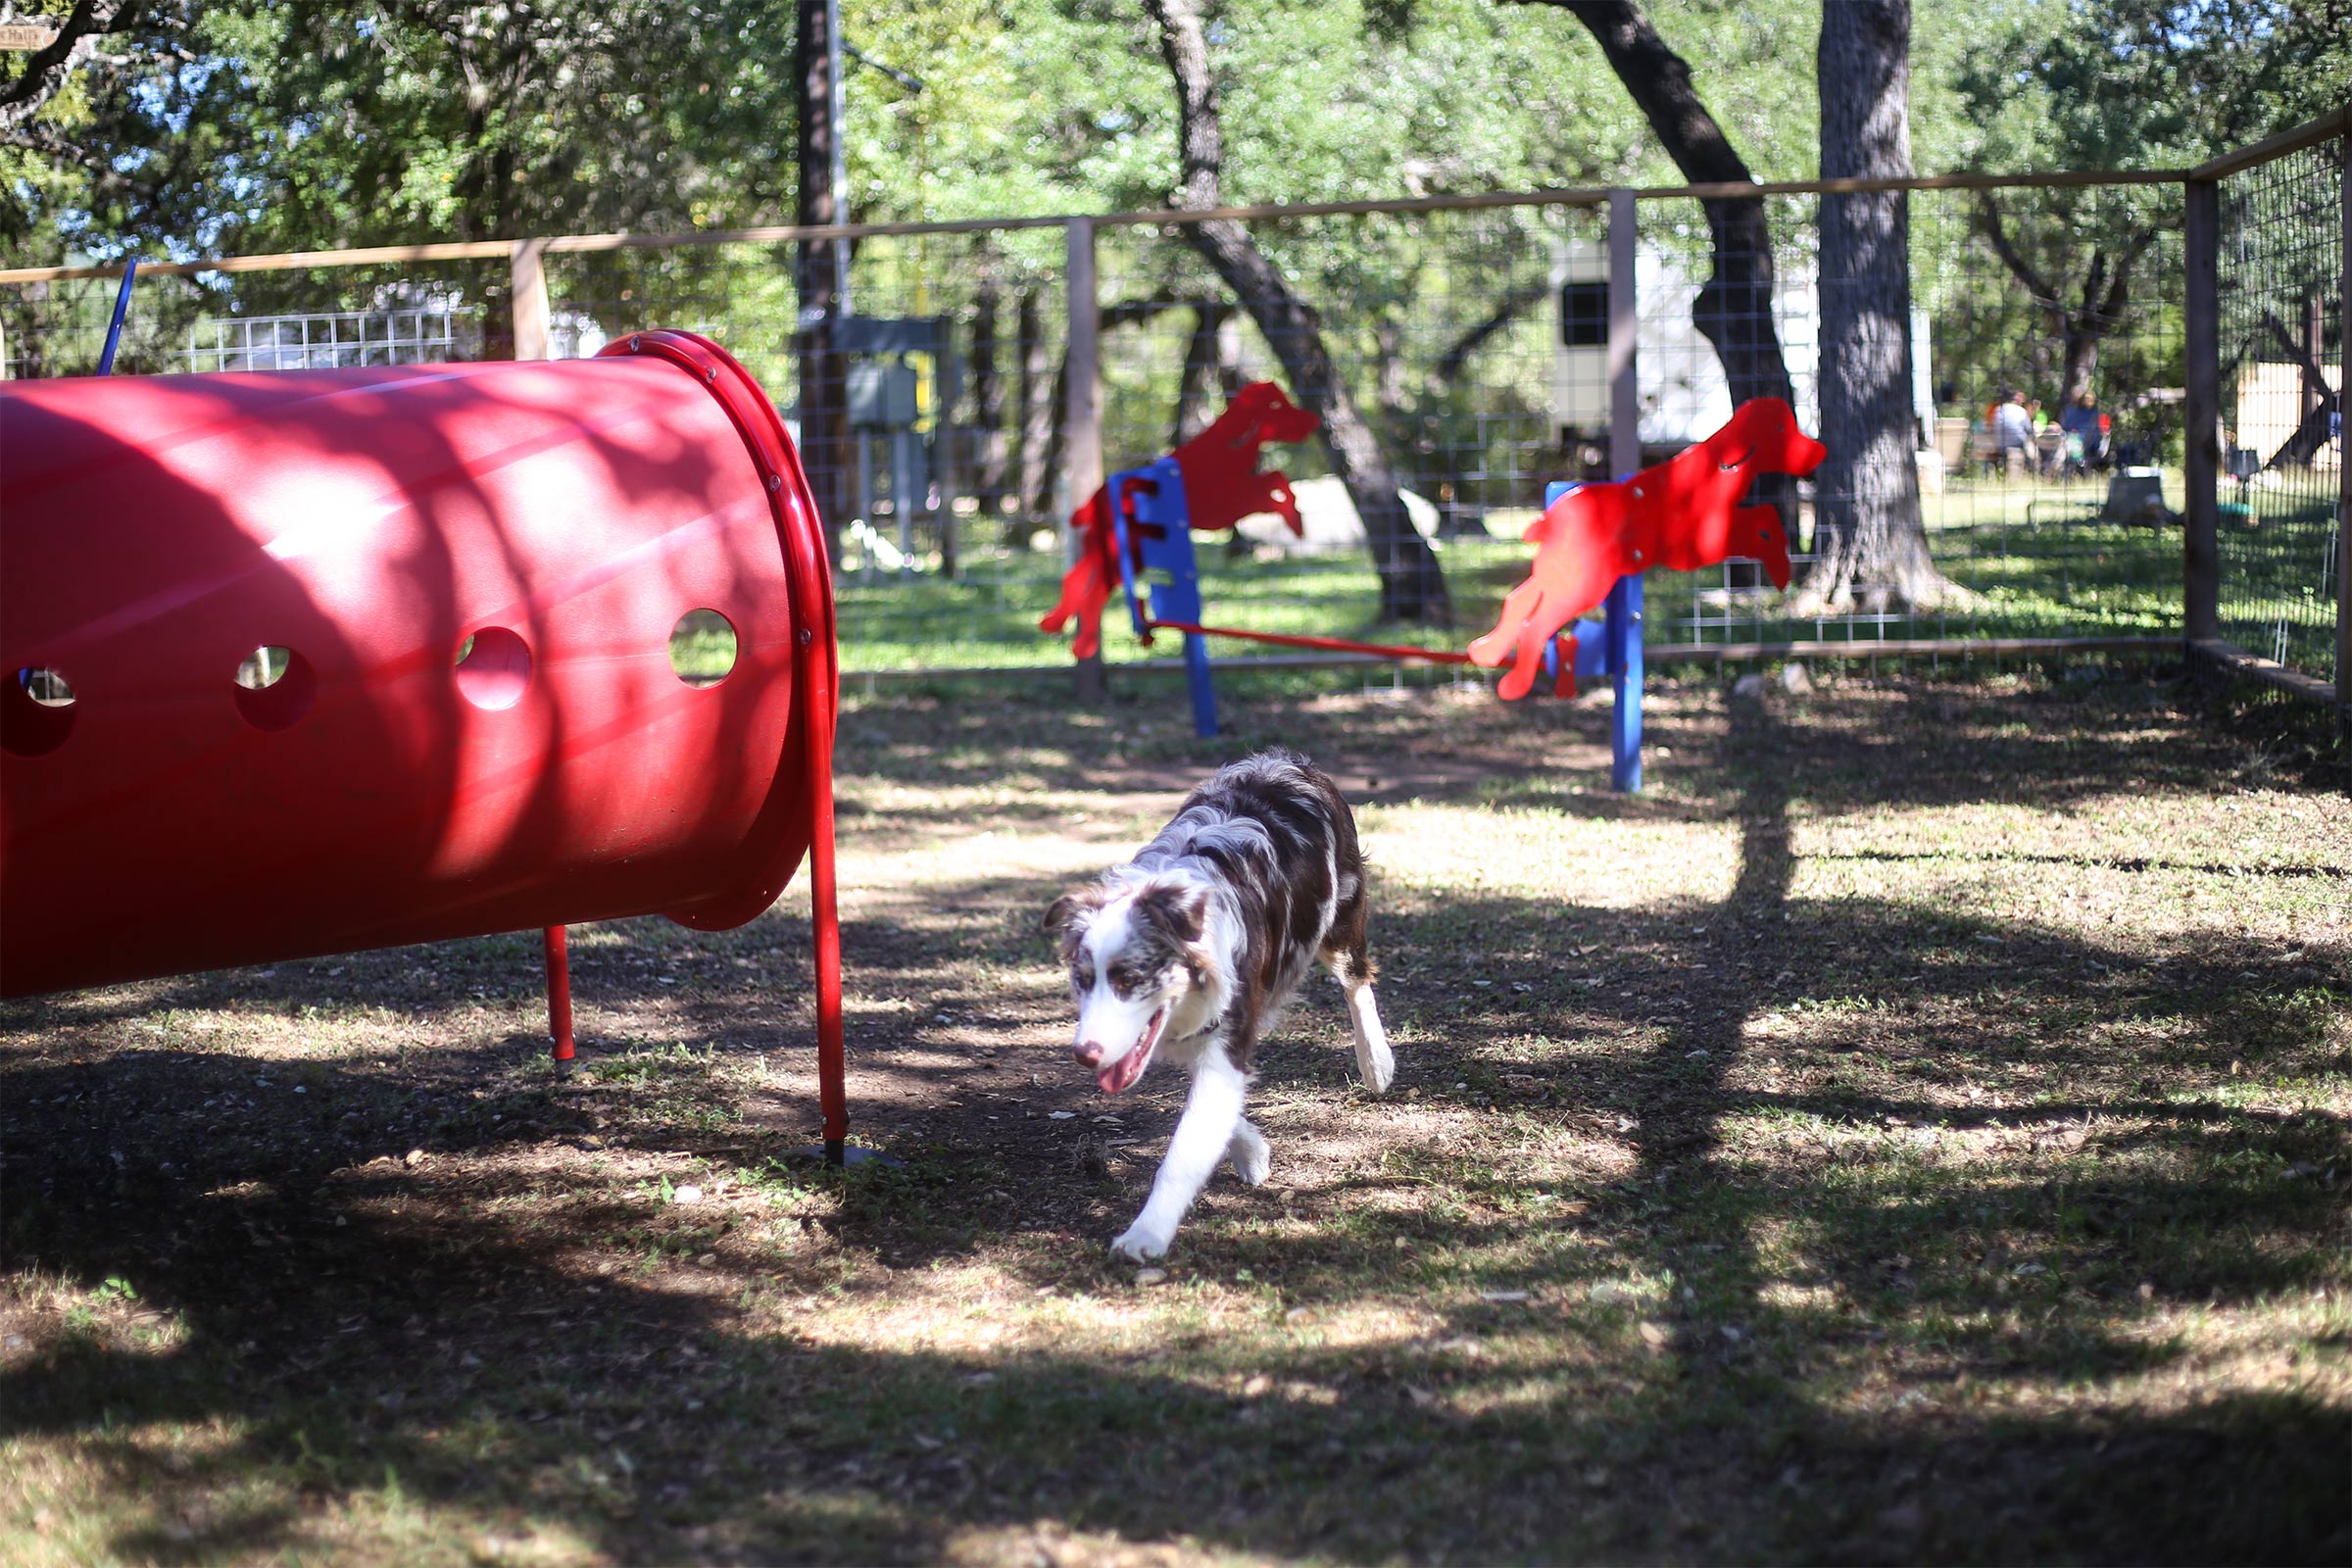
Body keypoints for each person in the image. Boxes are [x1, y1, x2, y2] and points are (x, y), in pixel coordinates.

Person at [2060, 391, 2103, 474]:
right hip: (2071, 438)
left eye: (2090, 399)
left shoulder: (2095, 413)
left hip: (2090, 440)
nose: (2088, 401)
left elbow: (2096, 431)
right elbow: (2066, 426)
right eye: (2086, 399)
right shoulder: (2072, 411)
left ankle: (2078, 466)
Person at [1993, 389, 2032, 480]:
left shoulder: (1998, 409)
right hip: (2016, 443)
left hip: (1999, 443)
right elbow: (2029, 430)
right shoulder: (2021, 411)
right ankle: (2029, 474)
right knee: (2032, 451)